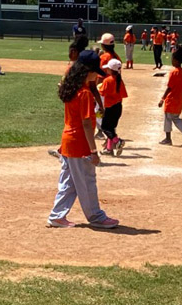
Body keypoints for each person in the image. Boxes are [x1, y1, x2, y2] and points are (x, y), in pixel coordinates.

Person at [47, 50, 119, 229]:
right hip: (79, 144)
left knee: (69, 182)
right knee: (87, 180)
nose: (97, 75)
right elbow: (87, 124)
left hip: (68, 141)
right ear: (87, 71)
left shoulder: (71, 88)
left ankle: (57, 216)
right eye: (95, 71)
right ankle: (95, 216)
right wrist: (93, 151)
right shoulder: (85, 93)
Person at [157, 48, 182, 146]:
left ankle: (168, 139)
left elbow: (169, 87)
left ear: (177, 61)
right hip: (179, 100)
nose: (172, 61)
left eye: (173, 59)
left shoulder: (174, 72)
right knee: (176, 118)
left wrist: (162, 99)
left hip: (171, 100)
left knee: (168, 119)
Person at [98, 59, 128, 156]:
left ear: (111, 70)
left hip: (110, 107)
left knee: (105, 127)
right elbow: (123, 94)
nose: (107, 70)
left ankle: (118, 141)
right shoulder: (119, 80)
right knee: (111, 128)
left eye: (108, 69)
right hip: (118, 107)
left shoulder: (108, 80)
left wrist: (99, 87)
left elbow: (101, 92)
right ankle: (109, 149)